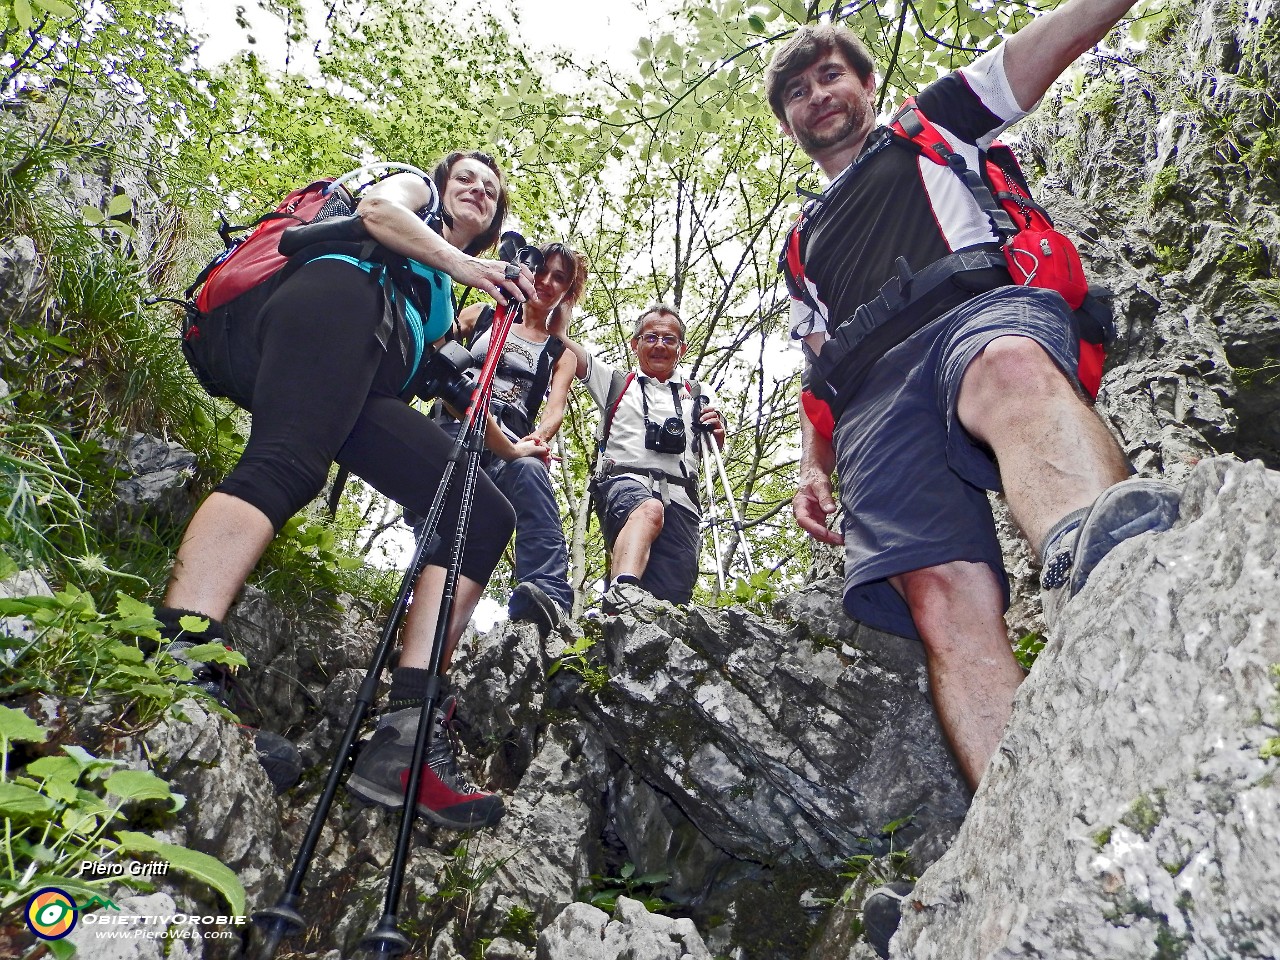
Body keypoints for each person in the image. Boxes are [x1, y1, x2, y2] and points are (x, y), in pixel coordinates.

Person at [767, 4, 1180, 796]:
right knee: (937, 593)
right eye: (797, 90)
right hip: (868, 401)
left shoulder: (933, 124)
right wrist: (810, 466)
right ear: (789, 121)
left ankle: (1099, 558)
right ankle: (1018, 813)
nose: (816, 95)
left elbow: (1053, 41)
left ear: (865, 83)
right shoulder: (800, 245)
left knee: (1011, 370)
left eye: (830, 75)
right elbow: (815, 371)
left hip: (971, 309)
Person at [162, 150, 536, 830]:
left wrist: (517, 445)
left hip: (360, 367)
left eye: (491, 190)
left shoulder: (441, 296)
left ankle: (405, 738)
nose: (478, 190)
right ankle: (177, 665)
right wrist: (470, 268)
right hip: (328, 300)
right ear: (442, 183)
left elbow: (446, 389)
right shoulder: (412, 190)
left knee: (481, 515)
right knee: (288, 462)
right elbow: (375, 211)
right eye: (467, 179)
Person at [445, 242, 589, 635]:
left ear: (567, 292)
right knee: (445, 521)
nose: (545, 281)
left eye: (559, 277)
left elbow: (555, 407)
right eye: (542, 270)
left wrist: (536, 441)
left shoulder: (561, 353)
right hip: (455, 421)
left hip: (510, 437)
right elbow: (440, 340)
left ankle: (547, 596)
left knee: (529, 473)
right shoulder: (485, 314)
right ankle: (423, 624)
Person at [567, 304, 725, 612]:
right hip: (624, 481)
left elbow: (715, 445)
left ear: (682, 348)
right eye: (651, 337)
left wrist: (717, 429)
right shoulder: (614, 382)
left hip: (682, 498)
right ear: (635, 343)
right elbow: (564, 343)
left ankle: (642, 643)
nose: (660, 346)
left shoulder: (699, 393)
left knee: (673, 594)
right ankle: (621, 595)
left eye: (669, 339)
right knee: (648, 509)